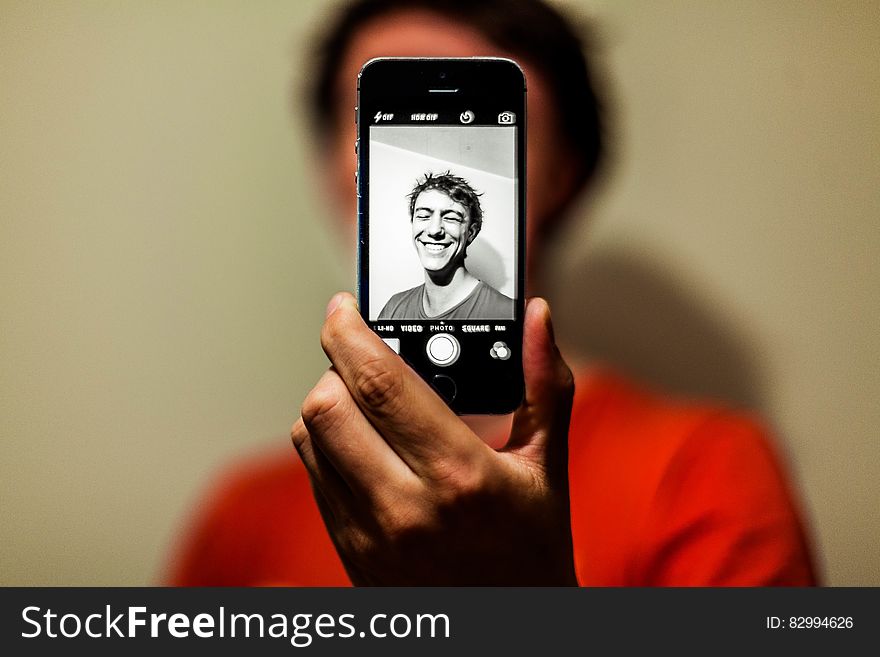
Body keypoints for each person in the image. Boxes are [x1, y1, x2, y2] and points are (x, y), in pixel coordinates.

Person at [165, 0, 817, 586]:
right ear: (333, 171)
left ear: (565, 173)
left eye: (471, 132)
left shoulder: (704, 472)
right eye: (390, 127)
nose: (429, 161)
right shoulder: (240, 518)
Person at [379, 171, 514, 320]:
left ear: (470, 232)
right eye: (423, 216)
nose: (434, 230)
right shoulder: (394, 309)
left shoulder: (506, 312)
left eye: (451, 218)